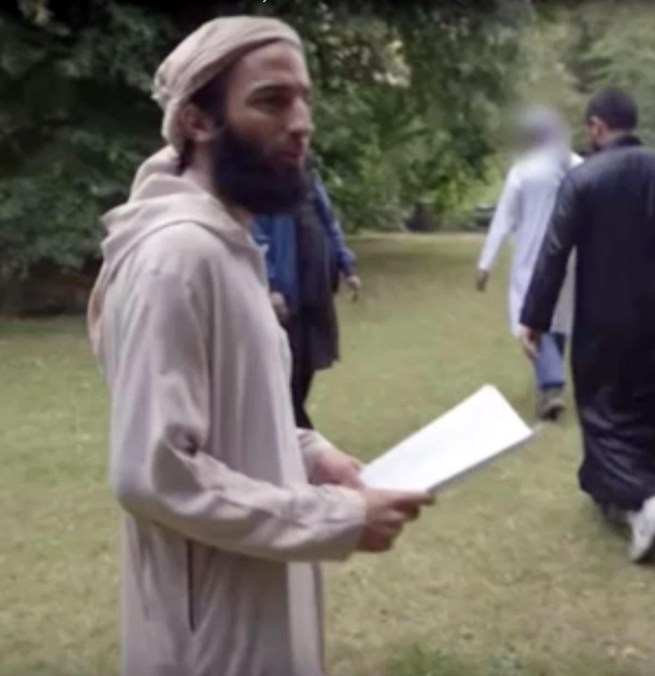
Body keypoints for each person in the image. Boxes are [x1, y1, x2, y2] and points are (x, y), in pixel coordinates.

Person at [85, 17, 432, 675]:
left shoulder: (228, 245)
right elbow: (153, 471)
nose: (300, 122)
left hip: (258, 593)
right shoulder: (176, 256)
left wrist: (311, 451)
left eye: (303, 99)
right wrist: (335, 519)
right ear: (196, 120)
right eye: (271, 101)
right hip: (210, 633)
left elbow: (231, 409)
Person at [518, 88, 655, 564]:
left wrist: (534, 319)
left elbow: (554, 255)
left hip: (604, 318)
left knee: (604, 409)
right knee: (648, 405)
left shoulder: (584, 180)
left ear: (595, 127)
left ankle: (644, 501)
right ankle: (620, 499)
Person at [476, 106, 582, 421]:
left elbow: (503, 219)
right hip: (573, 259)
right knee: (560, 319)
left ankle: (551, 385)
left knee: (532, 321)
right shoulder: (580, 167)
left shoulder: (523, 171)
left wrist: (485, 264)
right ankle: (550, 386)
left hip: (532, 260)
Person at [253, 156, 362, 429]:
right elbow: (255, 236)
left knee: (307, 365)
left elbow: (329, 223)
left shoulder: (309, 179)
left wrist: (347, 265)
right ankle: (298, 436)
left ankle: (294, 433)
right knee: (286, 372)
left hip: (317, 289)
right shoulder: (259, 182)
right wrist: (272, 284)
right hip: (289, 294)